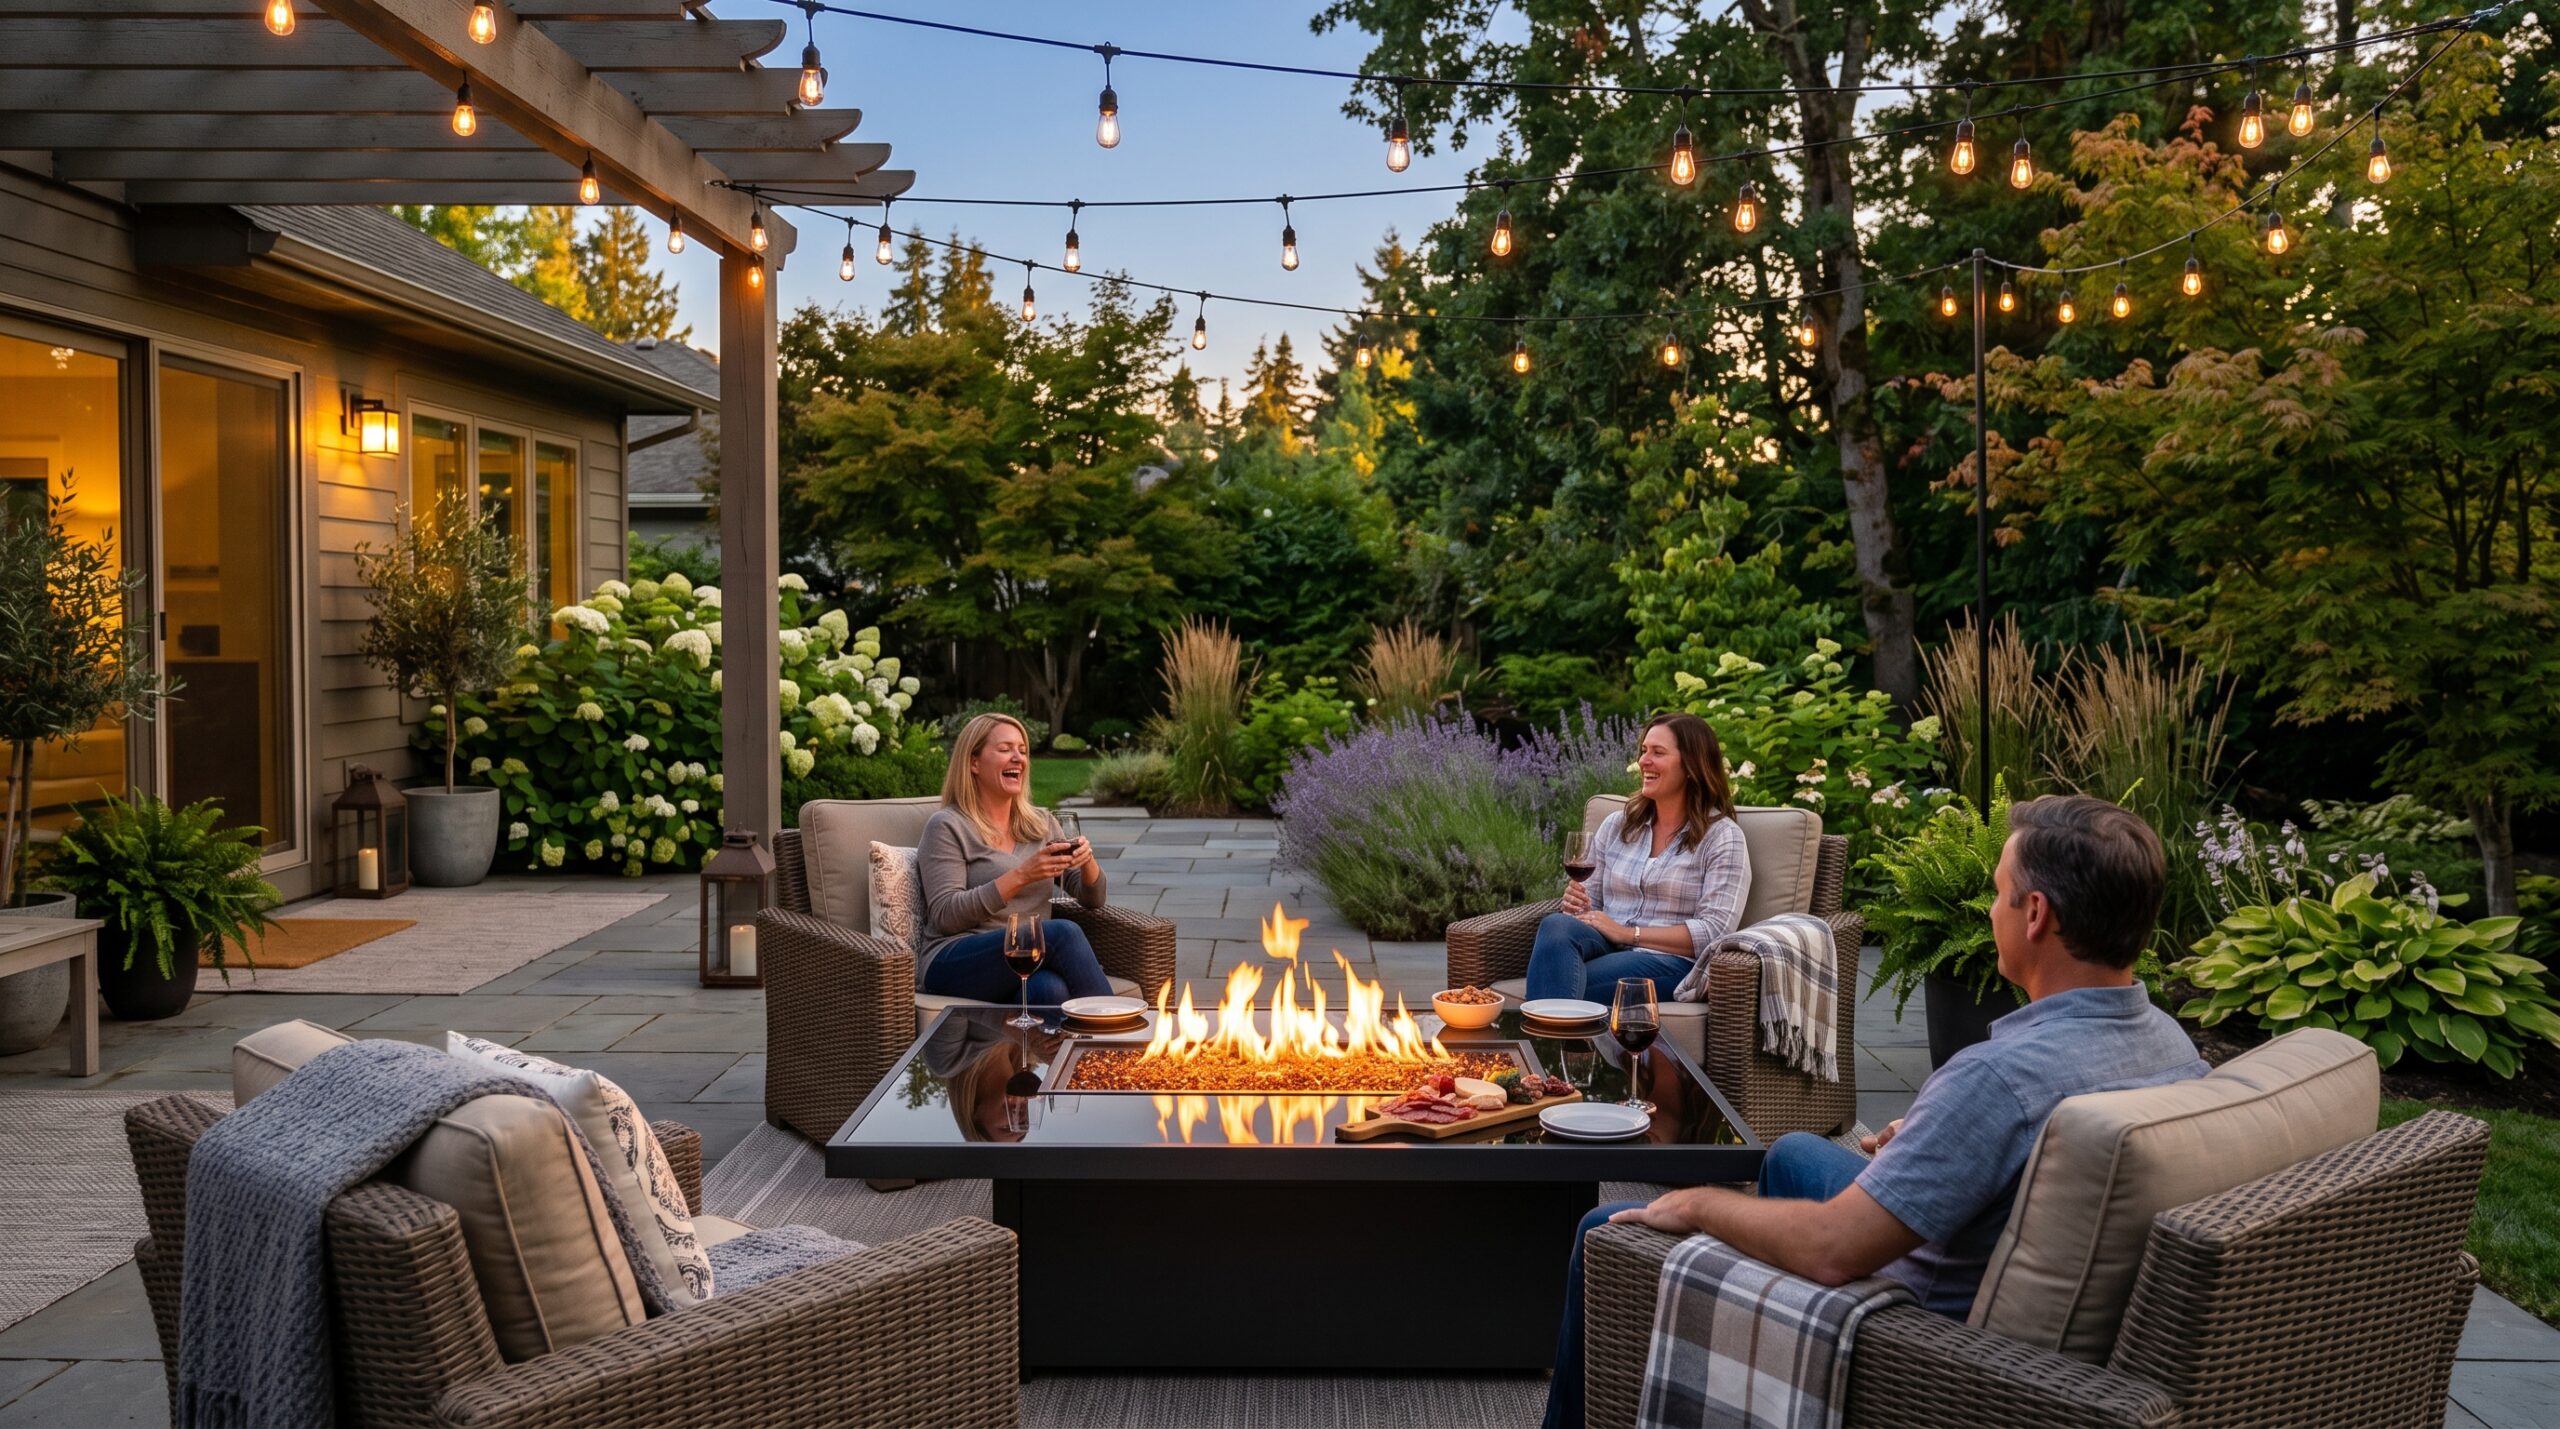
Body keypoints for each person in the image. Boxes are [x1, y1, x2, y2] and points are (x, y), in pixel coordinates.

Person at [1541, 795, 2209, 1429]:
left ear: (2035, 914)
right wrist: (1929, 1138)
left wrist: (1693, 1206)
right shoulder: (2172, 1042)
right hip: (1972, 1238)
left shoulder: (1999, 1081)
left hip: (1912, 1324)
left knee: (1607, 1227)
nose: (1989, 913)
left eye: (1997, 893)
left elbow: (1834, 1250)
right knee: (1794, 1152)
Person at [1523, 712, 1750, 1003]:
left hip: (1671, 962)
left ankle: (1544, 1045)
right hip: (1607, 945)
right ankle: (1557, 1044)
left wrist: (1628, 934)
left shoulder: (1722, 837)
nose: (1644, 761)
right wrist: (1578, 905)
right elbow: (1591, 909)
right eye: (1644, 751)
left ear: (1692, 767)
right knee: (1556, 925)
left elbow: (1714, 932)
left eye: (1658, 752)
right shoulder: (1618, 825)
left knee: (1559, 978)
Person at [916, 712, 1114, 1008]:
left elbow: (1093, 899)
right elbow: (945, 915)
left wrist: (1087, 862)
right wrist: (1022, 875)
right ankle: (1124, 1039)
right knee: (1063, 933)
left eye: (1022, 750)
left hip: (1023, 960)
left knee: (1050, 989)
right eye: (1005, 749)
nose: (1018, 758)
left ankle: (1059, 1055)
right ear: (973, 762)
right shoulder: (947, 826)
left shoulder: (1041, 823)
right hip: (955, 960)